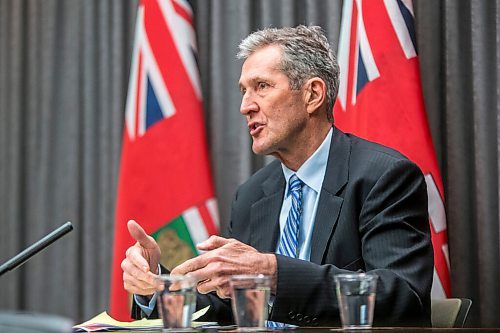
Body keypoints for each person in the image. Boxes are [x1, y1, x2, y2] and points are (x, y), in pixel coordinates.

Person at [121, 25, 434, 327]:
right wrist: (155, 285)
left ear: (312, 94)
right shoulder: (252, 195)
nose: (245, 106)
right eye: (243, 91)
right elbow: (226, 307)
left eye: (262, 87)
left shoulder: (382, 176)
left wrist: (273, 273)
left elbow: (403, 298)